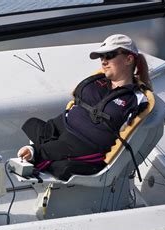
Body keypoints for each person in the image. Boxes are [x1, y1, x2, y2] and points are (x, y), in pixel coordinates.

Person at [17, 34, 151, 180]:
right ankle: (53, 152)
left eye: (109, 55)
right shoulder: (98, 80)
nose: (104, 62)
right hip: (63, 125)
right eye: (101, 57)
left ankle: (47, 153)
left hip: (85, 143)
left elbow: (129, 130)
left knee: (42, 157)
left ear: (129, 59)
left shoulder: (137, 98)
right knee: (31, 124)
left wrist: (34, 151)